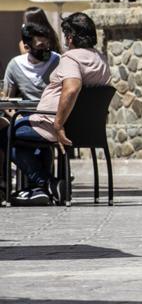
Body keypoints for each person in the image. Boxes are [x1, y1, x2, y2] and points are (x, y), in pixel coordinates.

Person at [4, 13, 110, 204]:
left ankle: (46, 184)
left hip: (52, 125)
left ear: (70, 37)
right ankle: (43, 187)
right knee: (24, 134)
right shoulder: (101, 60)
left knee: (5, 135)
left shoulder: (71, 58)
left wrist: (59, 125)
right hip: (85, 129)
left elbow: (72, 88)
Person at [3, 22, 61, 100]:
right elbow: (7, 100)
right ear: (27, 48)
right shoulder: (15, 65)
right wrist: (16, 113)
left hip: (52, 111)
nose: (47, 49)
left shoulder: (58, 61)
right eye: (41, 45)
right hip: (25, 111)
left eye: (47, 44)